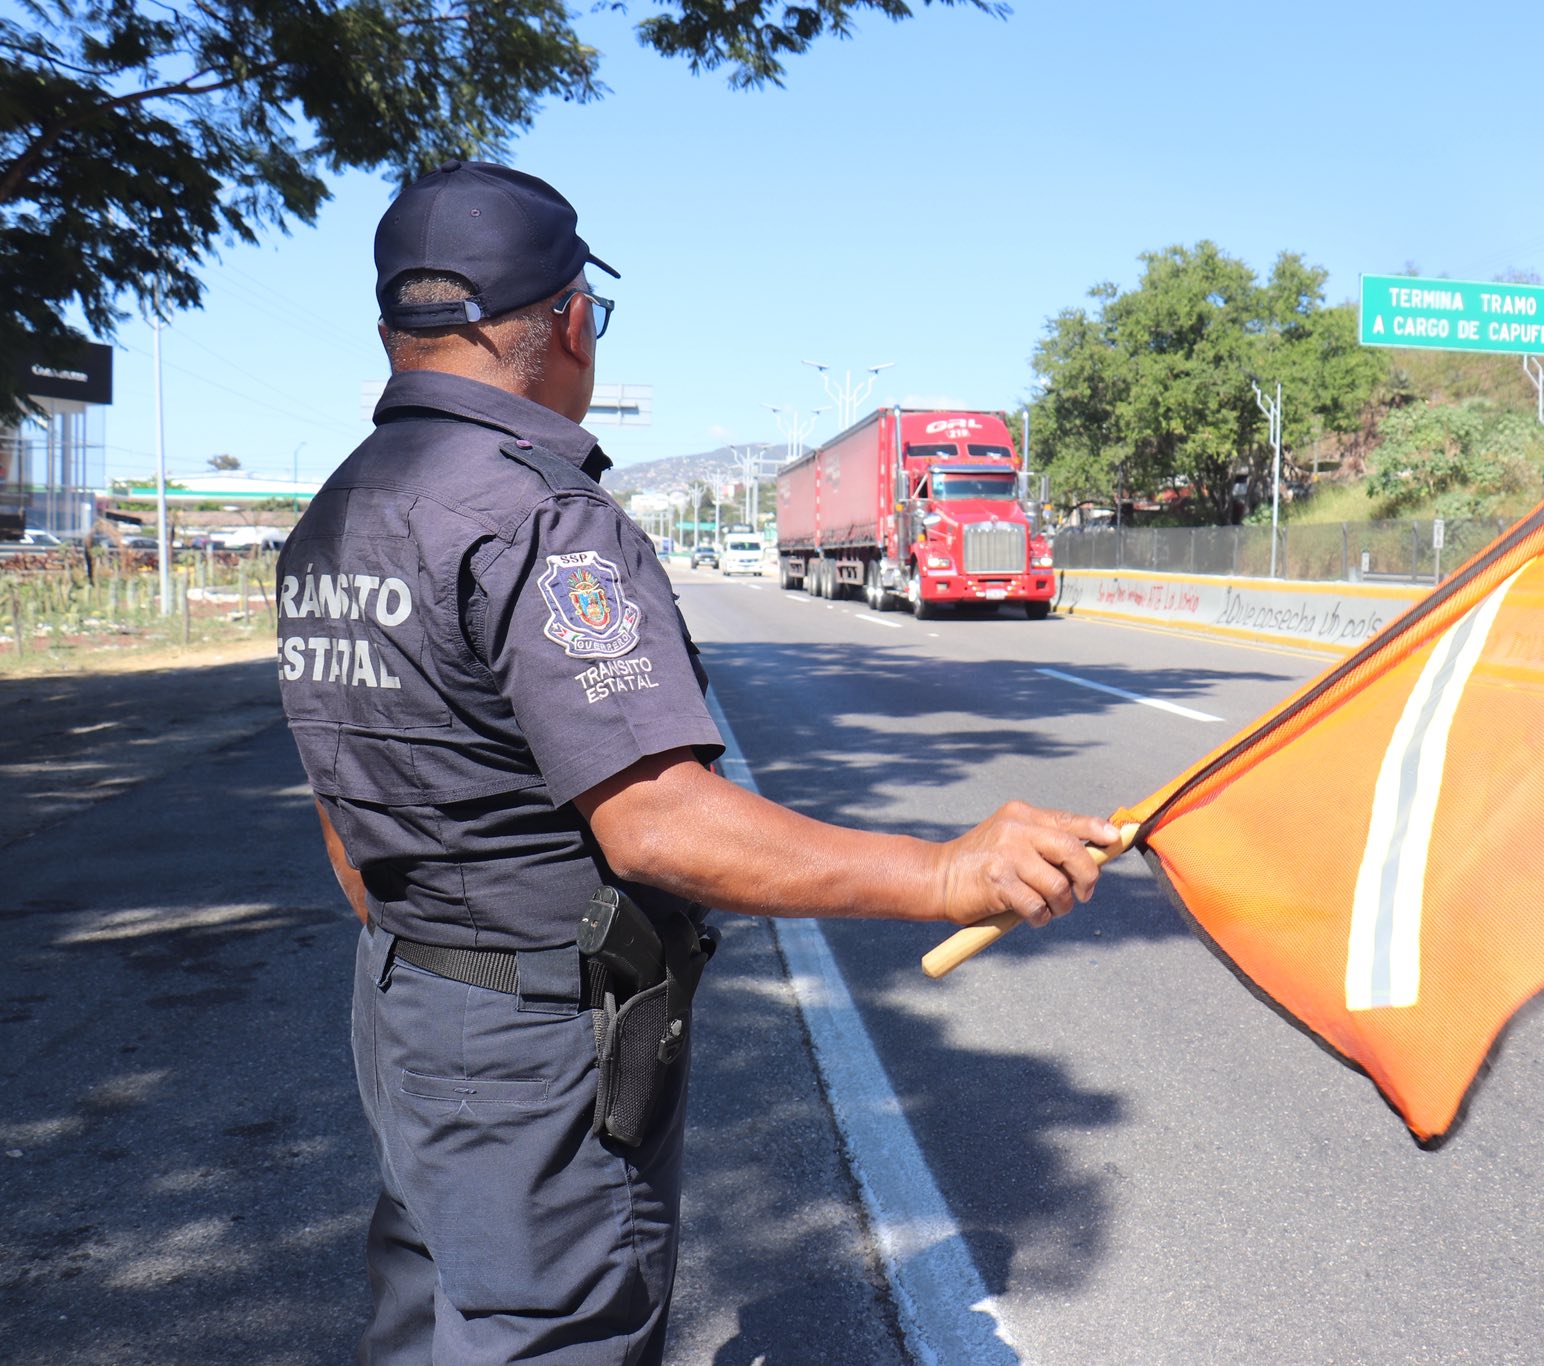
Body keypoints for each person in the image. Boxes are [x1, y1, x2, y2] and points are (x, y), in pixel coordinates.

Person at [277, 160, 1116, 1364]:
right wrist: (944, 874)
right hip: (531, 1047)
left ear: (390, 330)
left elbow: (340, 790)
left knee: (430, 1312)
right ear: (572, 321)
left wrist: (436, 951)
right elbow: (657, 821)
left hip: (406, 1001)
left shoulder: (337, 513)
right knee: (551, 1332)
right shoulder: (539, 518)